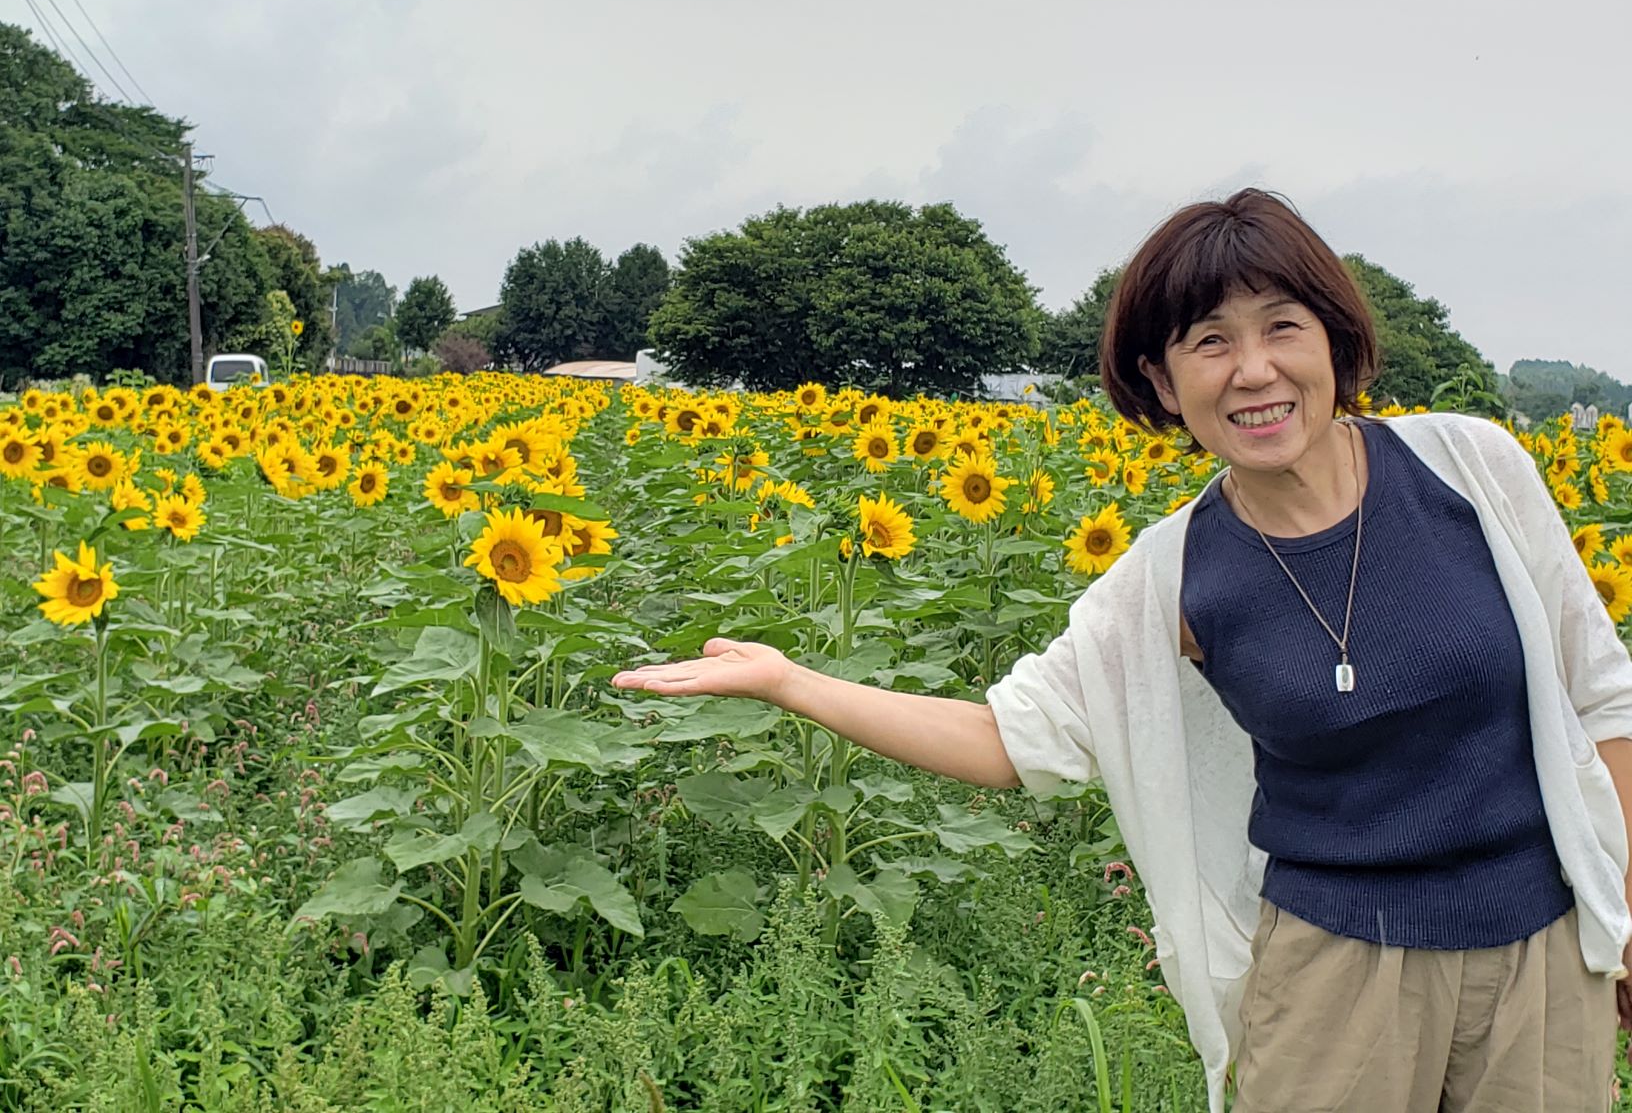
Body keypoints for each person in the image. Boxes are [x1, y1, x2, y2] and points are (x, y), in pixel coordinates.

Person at [611, 189, 1632, 1112]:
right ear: (1161, 376)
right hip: (1334, 977)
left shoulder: (1472, 470)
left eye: (1283, 326)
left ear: (1336, 340)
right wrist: (792, 681)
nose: (1255, 370)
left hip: (1542, 953)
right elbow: (1012, 738)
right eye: (1210, 342)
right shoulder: (1175, 575)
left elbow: (1604, 699)